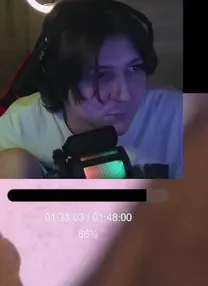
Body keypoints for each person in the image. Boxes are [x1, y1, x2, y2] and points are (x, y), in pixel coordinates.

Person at [0, 0, 183, 179]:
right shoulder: (21, 126)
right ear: (59, 78)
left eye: (134, 68)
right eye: (100, 75)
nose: (125, 95)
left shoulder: (179, 116)